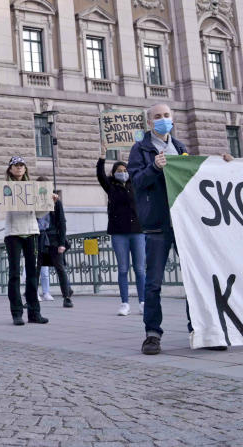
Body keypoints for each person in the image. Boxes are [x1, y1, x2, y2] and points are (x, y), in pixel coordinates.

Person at [128, 103, 232, 355]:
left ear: (172, 119)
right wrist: (154, 167)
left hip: (185, 225)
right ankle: (152, 334)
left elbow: (196, 175)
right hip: (156, 226)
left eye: (166, 115)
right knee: (153, 283)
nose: (162, 119)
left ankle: (200, 330)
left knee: (195, 280)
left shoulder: (181, 148)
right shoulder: (140, 149)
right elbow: (137, 182)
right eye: (157, 117)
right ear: (149, 122)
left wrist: (221, 163)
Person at [97, 149, 145, 316]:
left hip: (138, 231)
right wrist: (102, 157)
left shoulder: (136, 184)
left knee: (140, 269)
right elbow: (100, 175)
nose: (123, 173)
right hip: (119, 233)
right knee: (123, 268)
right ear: (114, 173)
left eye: (125, 171)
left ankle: (143, 302)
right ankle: (124, 303)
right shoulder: (110, 186)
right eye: (119, 171)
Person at [3, 156, 49, 327]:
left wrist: (48, 203)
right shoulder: (4, 188)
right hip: (13, 233)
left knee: (32, 274)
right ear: (10, 169)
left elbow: (39, 214)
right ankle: (16, 313)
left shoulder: (34, 188)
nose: (19, 168)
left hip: (31, 232)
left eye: (22, 165)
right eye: (16, 165)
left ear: (25, 169)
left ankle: (34, 312)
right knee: (14, 274)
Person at [35, 176, 72, 308]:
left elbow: (61, 223)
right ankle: (33, 295)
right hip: (38, 238)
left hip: (53, 239)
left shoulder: (56, 202)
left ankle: (67, 296)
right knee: (36, 268)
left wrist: (62, 243)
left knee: (59, 267)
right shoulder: (32, 202)